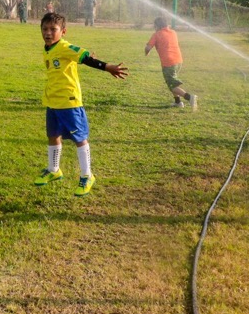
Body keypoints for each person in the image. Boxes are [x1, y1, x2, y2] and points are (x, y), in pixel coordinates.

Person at [34, 12, 127, 196]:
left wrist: (107, 67)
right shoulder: (47, 48)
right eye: (45, 29)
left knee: (79, 138)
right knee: (53, 136)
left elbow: (85, 58)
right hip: (53, 102)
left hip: (70, 103)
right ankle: (54, 170)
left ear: (64, 31)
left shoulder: (64, 47)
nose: (48, 33)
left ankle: (87, 175)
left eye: (53, 29)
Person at [145, 16, 198, 110]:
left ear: (157, 25)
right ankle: (178, 102)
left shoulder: (157, 34)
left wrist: (147, 53)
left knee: (172, 85)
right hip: (178, 61)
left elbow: (148, 48)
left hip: (168, 63)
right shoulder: (173, 32)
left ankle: (190, 98)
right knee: (172, 83)